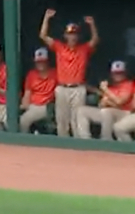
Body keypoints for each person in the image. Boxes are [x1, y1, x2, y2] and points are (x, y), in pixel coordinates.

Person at [39, 9, 100, 138]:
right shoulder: (59, 47)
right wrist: (47, 18)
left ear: (78, 36)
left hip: (78, 89)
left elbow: (95, 40)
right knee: (62, 121)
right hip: (62, 88)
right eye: (70, 34)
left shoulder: (83, 49)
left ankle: (78, 149)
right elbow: (43, 36)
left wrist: (92, 25)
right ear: (65, 36)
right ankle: (63, 150)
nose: (72, 37)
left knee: (77, 119)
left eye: (74, 34)